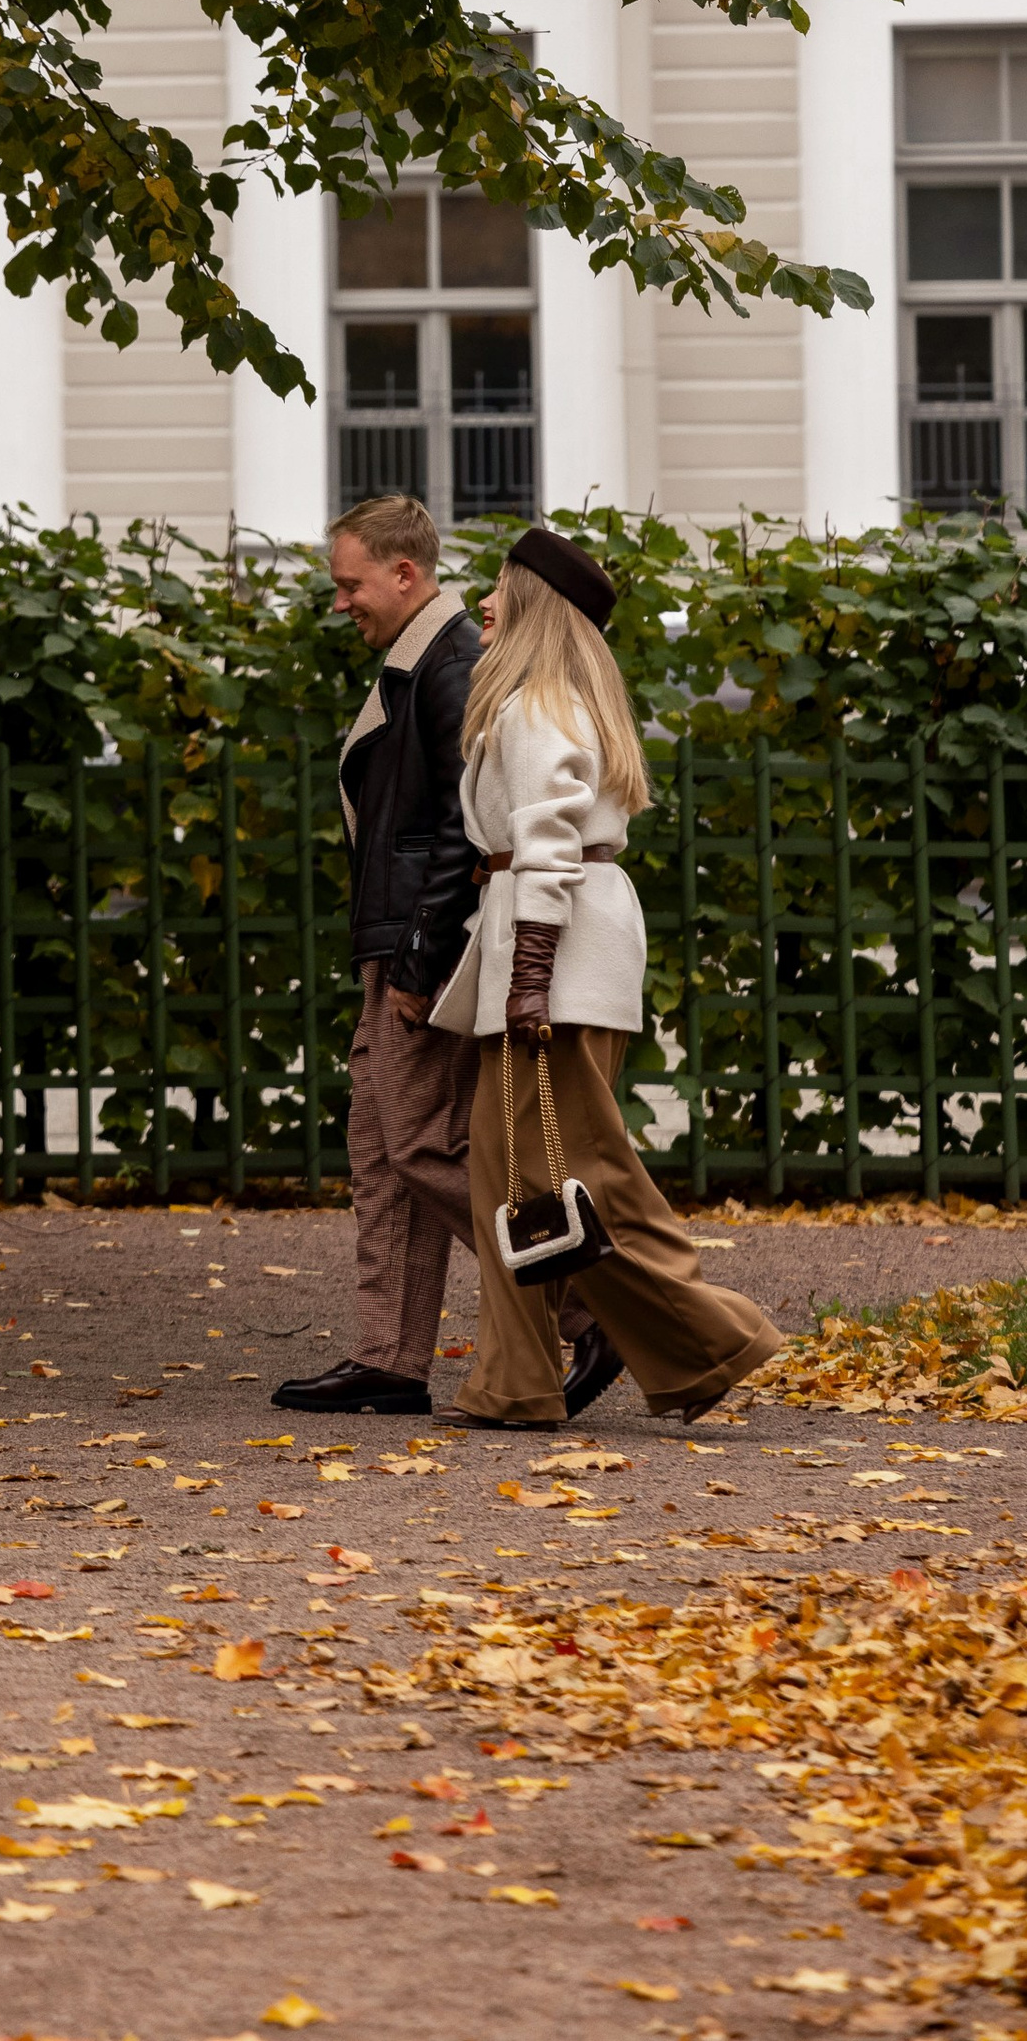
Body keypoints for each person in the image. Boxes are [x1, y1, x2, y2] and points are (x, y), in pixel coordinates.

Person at [271, 494, 620, 1421]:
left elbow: (460, 837)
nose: (340, 601)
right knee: (381, 1148)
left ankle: (596, 1304)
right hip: (399, 942)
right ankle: (390, 1357)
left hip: (424, 948)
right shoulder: (416, 662)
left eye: (350, 584)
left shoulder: (451, 663)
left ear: (403, 573)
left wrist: (422, 967)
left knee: (423, 1142)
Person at [431, 522, 784, 1428]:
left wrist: (531, 976)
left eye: (499, 588)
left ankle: (716, 1335)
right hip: (570, 942)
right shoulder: (563, 698)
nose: (483, 603)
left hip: (554, 949)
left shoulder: (536, 702)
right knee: (520, 1181)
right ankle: (515, 1382)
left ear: (533, 603)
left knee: (579, 1172)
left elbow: (545, 844)